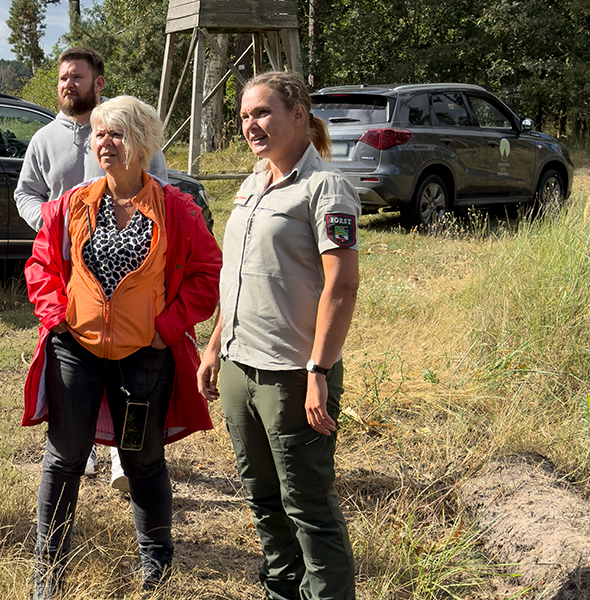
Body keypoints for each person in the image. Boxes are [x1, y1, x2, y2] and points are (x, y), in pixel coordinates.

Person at [22, 96, 220, 598]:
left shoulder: (175, 209)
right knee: (64, 457)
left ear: (142, 144)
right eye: (99, 134)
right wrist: (56, 313)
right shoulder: (72, 204)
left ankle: (155, 561)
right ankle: (50, 568)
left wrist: (167, 328)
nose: (103, 143)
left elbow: (207, 273)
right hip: (77, 351)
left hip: (144, 356)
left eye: (115, 134)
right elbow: (41, 264)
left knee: (142, 458)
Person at [196, 71, 361, 600]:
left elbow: (342, 285)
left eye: (262, 112)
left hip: (293, 374)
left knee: (307, 506)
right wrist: (215, 345)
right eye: (244, 115)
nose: (251, 124)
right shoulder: (251, 183)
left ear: (297, 114)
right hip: (241, 367)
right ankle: (282, 591)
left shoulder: (325, 187)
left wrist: (318, 371)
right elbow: (239, 277)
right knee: (262, 498)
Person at [14, 46, 168, 491]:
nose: (67, 84)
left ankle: (125, 453)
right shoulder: (44, 140)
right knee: (76, 367)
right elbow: (26, 193)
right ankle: (82, 449)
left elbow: (157, 186)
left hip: (128, 270)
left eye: (76, 77)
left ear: (98, 82)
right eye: (63, 78)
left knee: (125, 364)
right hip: (69, 276)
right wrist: (51, 224)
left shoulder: (127, 130)